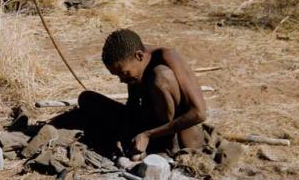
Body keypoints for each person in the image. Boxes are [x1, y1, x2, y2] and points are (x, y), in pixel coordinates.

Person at [78, 28, 208, 160]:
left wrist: (148, 135)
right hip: (148, 125)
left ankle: (168, 150)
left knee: (161, 77)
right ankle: (146, 145)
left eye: (124, 73)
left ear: (139, 56)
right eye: (116, 75)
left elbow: (199, 114)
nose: (122, 80)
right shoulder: (131, 59)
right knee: (87, 98)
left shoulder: (168, 58)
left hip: (180, 136)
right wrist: (124, 135)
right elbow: (132, 106)